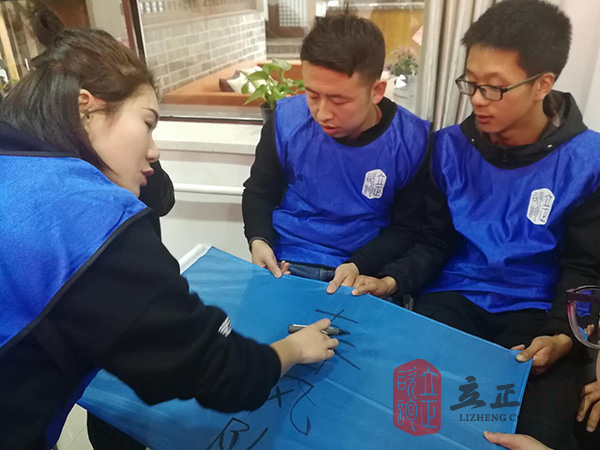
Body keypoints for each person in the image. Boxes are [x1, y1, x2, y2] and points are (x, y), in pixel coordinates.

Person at [0, 12, 338, 450]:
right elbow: (221, 372)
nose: (155, 150)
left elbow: (159, 195)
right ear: (86, 107)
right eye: (148, 123)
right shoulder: (88, 220)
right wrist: (294, 349)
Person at [352, 1, 600, 448]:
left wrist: (562, 337)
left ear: (543, 84)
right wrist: (391, 280)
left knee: (535, 434)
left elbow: (585, 269)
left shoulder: (587, 163)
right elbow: (434, 242)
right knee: (394, 413)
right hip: (454, 299)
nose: (478, 99)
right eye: (471, 83)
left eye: (495, 88)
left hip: (537, 312)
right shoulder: (449, 147)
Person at [242, 14, 430, 293]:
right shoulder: (286, 121)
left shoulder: (411, 141)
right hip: (287, 262)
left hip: (361, 270)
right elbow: (259, 192)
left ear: (376, 91)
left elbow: (407, 228)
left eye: (338, 100)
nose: (322, 113)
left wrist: (359, 264)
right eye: (312, 95)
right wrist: (258, 240)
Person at [87, 161, 174, 450]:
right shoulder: (73, 170)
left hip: (145, 292)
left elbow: (163, 200)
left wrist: (145, 163)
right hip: (101, 306)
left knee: (143, 393)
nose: (153, 150)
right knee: (111, 407)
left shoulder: (137, 154)